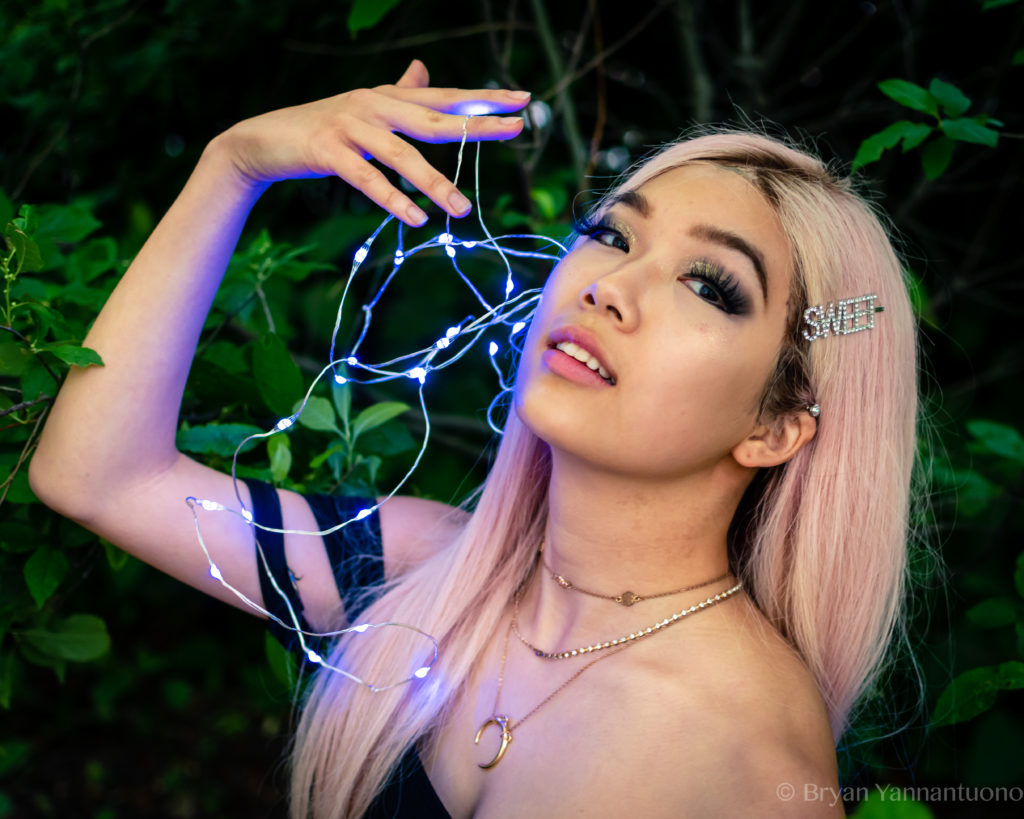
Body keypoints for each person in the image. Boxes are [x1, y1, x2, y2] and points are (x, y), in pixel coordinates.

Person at [30, 58, 918, 818]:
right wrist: (234, 166)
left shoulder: (741, 758)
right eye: (612, 233)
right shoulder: (432, 577)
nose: (610, 285)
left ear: (775, 426)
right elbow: (95, 473)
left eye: (710, 285)